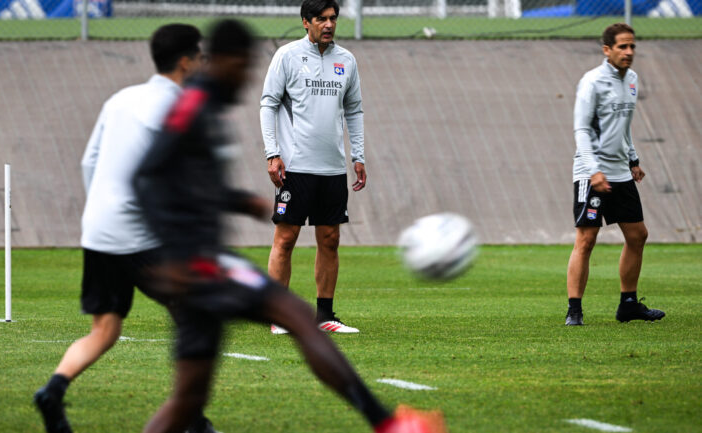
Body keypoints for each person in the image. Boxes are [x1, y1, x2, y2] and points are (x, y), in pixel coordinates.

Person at [133, 19, 445, 433]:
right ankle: (388, 424)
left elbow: (189, 179)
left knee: (188, 397)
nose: (245, 76)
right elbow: (146, 175)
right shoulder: (194, 105)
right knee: (296, 314)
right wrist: (171, 253)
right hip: (195, 262)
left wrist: (237, 201)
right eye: (242, 65)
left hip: (198, 258)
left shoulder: (207, 104)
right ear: (225, 60)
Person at [33, 24, 217, 433]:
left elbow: (88, 162)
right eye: (199, 55)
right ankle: (190, 419)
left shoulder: (121, 99)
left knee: (105, 328)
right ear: (186, 60)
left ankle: (53, 391)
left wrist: (104, 211)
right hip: (140, 234)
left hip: (99, 229)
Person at [260, 0, 366, 334]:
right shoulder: (287, 56)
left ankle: (325, 317)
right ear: (306, 22)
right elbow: (268, 103)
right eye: (321, 19)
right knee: (286, 238)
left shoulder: (346, 60)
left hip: (332, 168)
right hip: (295, 167)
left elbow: (354, 111)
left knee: (330, 239)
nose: (329, 24)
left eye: (333, 18)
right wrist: (272, 153)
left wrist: (357, 156)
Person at [565, 23, 665, 326]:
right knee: (586, 239)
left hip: (621, 171)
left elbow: (622, 126)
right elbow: (581, 130)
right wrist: (593, 170)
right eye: (622, 46)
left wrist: (633, 159)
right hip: (590, 171)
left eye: (632, 46)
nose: (629, 52)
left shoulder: (632, 80)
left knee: (638, 235)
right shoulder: (592, 82)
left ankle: (629, 305)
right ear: (607, 49)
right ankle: (574, 310)